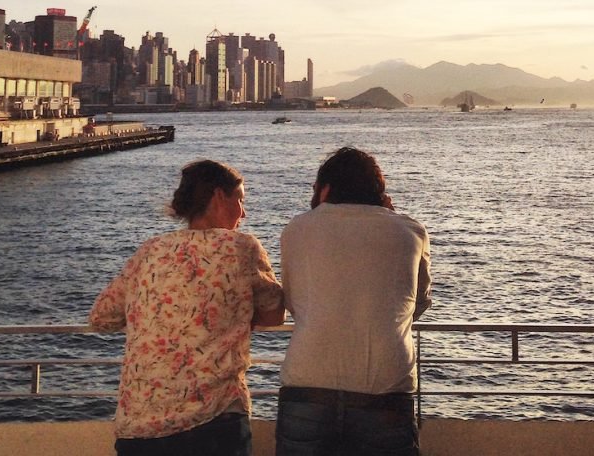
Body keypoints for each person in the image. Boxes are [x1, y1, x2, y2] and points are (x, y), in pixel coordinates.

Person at [90, 159, 284, 456]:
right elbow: (273, 314)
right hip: (212, 421)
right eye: (240, 201)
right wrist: (233, 311)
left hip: (139, 427)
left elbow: (102, 317)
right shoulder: (241, 247)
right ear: (219, 196)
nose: (243, 213)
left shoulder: (150, 250)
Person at [275, 146, 432, 456]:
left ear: (325, 188)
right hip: (384, 387)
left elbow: (294, 302)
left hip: (308, 385)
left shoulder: (297, 229)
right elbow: (418, 302)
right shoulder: (410, 231)